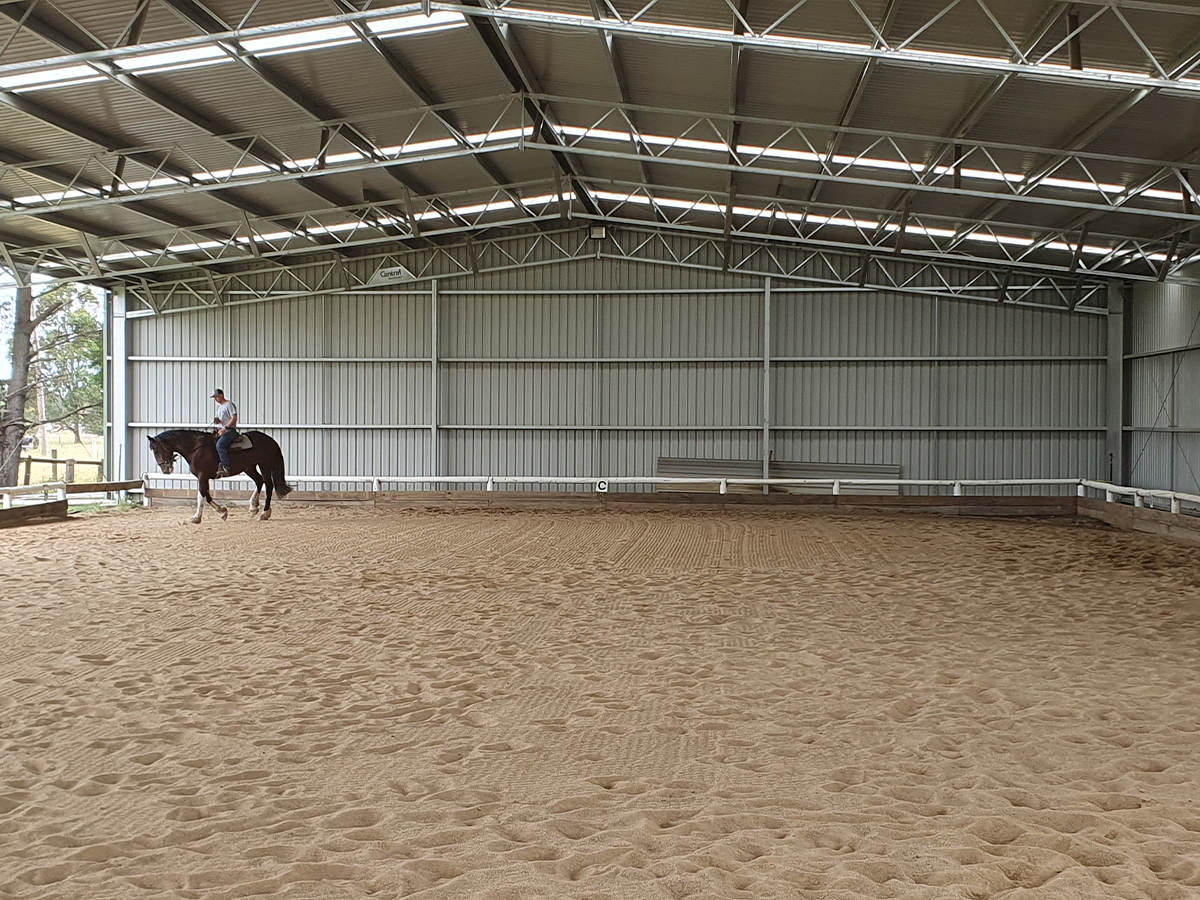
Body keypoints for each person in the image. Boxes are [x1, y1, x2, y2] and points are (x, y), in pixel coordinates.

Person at [210, 388, 238, 478]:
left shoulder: (229, 405)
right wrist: (217, 421)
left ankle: (226, 467)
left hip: (229, 430)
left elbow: (234, 418)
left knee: (220, 445)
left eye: (216, 397)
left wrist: (225, 428)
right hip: (221, 430)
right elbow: (222, 421)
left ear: (221, 395)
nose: (215, 399)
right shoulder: (220, 407)